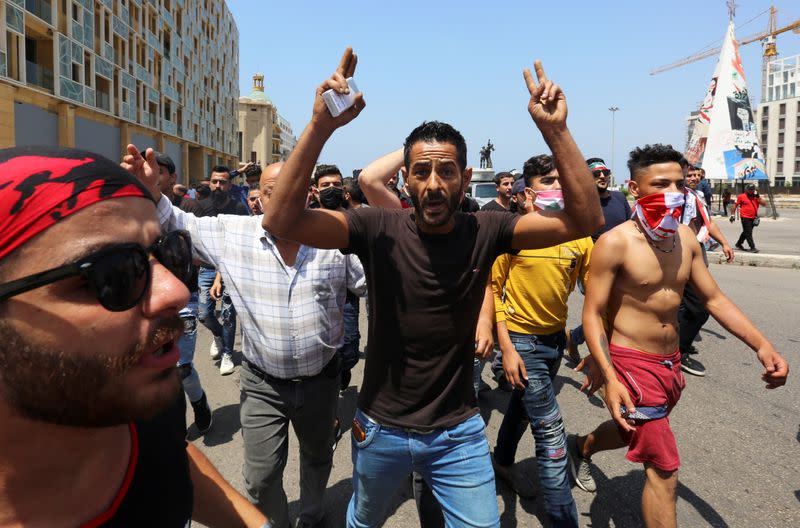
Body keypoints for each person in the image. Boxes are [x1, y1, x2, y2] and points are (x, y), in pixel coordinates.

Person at [261, 49, 603, 528]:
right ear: (406, 179)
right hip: (380, 427)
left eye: (446, 172)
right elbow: (280, 219)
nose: (434, 184)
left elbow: (585, 220)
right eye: (421, 171)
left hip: (459, 431)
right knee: (363, 521)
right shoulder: (377, 226)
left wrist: (555, 131)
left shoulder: (488, 228)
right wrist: (321, 125)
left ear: (465, 180)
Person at [0, 146, 268, 527]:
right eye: (114, 275)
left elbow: (168, 453)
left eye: (169, 254)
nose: (174, 291)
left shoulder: (135, 389)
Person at [124, 150, 366, 528]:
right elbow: (176, 220)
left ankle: (314, 513)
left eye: (294, 189)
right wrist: (152, 190)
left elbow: (372, 280)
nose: (284, 198)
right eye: (273, 191)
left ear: (307, 195)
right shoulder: (233, 234)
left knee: (318, 458)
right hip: (262, 384)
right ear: (259, 198)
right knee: (261, 476)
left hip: (322, 381)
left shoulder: (332, 238)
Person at [568, 144, 788, 528]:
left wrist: (762, 344)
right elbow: (592, 314)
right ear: (635, 189)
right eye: (660, 184)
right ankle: (585, 447)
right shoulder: (615, 242)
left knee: (629, 431)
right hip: (631, 365)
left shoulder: (686, 238)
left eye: (678, 183)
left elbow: (715, 299)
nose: (673, 192)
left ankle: (582, 446)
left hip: (669, 364)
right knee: (664, 470)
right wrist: (610, 374)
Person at [492, 154, 592, 527]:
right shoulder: (515, 233)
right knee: (549, 427)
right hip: (522, 342)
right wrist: (506, 347)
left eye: (562, 179)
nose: (559, 186)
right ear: (530, 191)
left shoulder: (578, 236)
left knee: (521, 406)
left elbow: (596, 293)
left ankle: (501, 460)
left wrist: (596, 349)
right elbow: (493, 289)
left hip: (554, 343)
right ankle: (563, 518)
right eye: (550, 181)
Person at [153, 153, 212, 432]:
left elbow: (205, 249)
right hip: (147, 304)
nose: (152, 175)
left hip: (185, 298)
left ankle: (198, 402)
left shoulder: (189, 207)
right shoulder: (131, 210)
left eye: (158, 171)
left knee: (181, 368)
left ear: (172, 177)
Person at [566, 157, 631, 362]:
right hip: (593, 268)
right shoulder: (580, 203)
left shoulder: (620, 198)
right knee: (601, 312)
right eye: (596, 174)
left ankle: (574, 337)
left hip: (623, 265)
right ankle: (604, 363)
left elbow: (631, 228)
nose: (602, 176)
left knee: (616, 312)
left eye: (605, 172)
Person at [311, 164, 365, 393]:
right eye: (325, 185)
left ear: (344, 190)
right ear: (315, 190)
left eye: (335, 185)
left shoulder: (357, 219)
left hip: (348, 296)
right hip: (316, 294)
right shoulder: (306, 220)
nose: (331, 189)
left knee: (349, 349)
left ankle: (342, 372)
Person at [677, 164, 735, 377]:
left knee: (694, 305)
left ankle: (679, 345)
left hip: (694, 248)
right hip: (677, 251)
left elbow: (707, 223)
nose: (692, 178)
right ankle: (678, 351)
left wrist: (724, 243)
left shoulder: (696, 195)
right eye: (688, 174)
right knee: (696, 306)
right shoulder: (674, 196)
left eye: (696, 175)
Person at [196, 165, 249, 375]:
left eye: (223, 182)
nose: (218, 186)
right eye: (215, 181)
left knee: (227, 314)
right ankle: (218, 336)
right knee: (204, 314)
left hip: (231, 269)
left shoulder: (238, 209)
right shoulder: (200, 207)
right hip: (206, 269)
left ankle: (227, 352)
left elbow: (242, 241)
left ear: (230, 185)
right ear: (209, 183)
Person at [731, 183, 765, 253]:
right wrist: (732, 215)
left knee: (746, 232)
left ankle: (739, 244)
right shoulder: (741, 196)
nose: (751, 191)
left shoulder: (756, 197)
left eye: (752, 190)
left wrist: (758, 197)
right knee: (748, 232)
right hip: (745, 217)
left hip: (754, 217)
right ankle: (752, 247)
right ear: (746, 190)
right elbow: (735, 205)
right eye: (749, 189)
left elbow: (764, 204)